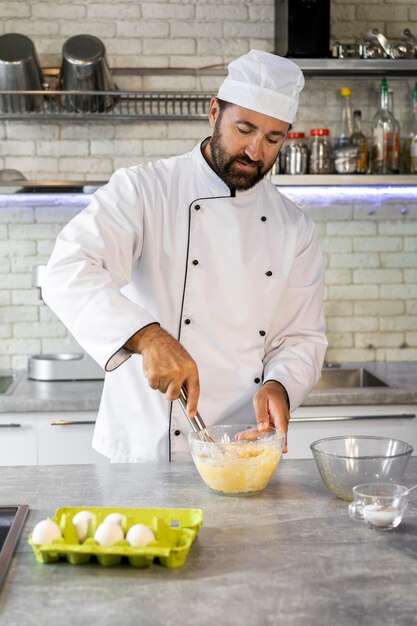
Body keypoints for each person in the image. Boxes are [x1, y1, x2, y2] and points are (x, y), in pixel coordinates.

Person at [42, 50, 327, 463]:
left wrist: (280, 385)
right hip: (142, 452)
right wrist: (147, 335)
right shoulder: (145, 190)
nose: (254, 150)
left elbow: (301, 337)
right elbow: (67, 270)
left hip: (239, 446)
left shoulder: (293, 227)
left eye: (272, 139)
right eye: (244, 128)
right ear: (214, 111)